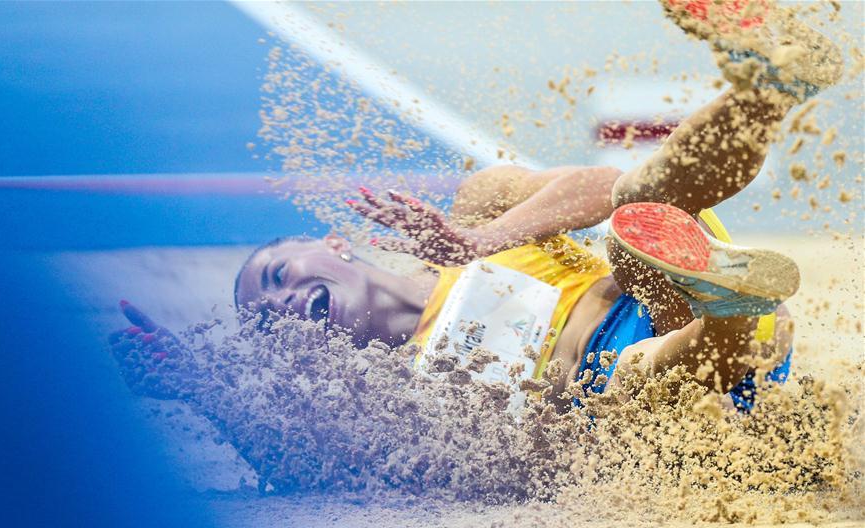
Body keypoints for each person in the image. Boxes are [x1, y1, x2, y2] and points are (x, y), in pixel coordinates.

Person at [111, 0, 840, 411]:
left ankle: (771, 84)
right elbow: (293, 450)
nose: (280, 300)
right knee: (629, 383)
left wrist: (481, 240)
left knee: (633, 221)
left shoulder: (476, 218)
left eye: (274, 274)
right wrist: (196, 389)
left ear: (332, 244)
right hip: (660, 386)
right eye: (265, 318)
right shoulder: (382, 390)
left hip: (661, 286)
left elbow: (597, 187)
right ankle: (736, 314)